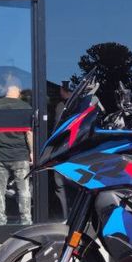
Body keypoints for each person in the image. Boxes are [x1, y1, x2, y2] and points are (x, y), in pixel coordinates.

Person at [0, 85, 32, 226]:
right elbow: (28, 133)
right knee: (23, 189)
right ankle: (26, 221)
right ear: (18, 94)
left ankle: (0, 221)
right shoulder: (24, 107)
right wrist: (32, 151)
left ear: (7, 92)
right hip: (20, 154)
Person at [52, 81, 72, 218]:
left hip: (63, 149)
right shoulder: (85, 104)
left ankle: (66, 217)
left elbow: (57, 128)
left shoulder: (62, 106)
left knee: (60, 184)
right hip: (75, 149)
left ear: (62, 90)